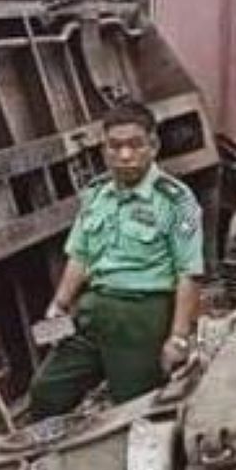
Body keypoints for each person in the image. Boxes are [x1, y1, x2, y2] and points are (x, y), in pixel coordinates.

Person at [28, 101, 204, 419]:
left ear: (153, 146)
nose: (124, 156)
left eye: (135, 145)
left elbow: (188, 274)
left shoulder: (175, 200)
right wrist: (59, 304)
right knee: (46, 392)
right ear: (104, 150)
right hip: (92, 311)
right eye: (115, 147)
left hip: (140, 317)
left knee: (134, 412)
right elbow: (79, 254)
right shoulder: (96, 194)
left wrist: (178, 337)